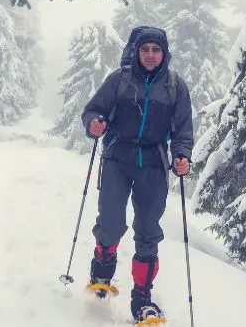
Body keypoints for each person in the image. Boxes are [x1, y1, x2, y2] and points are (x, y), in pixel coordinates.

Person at [81, 26, 194, 322]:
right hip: (118, 157)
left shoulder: (175, 87)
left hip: (153, 165)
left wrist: (182, 157)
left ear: (164, 53)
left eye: (156, 50)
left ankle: (142, 298)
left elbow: (182, 130)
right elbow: (93, 110)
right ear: (136, 51)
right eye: (145, 49)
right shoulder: (119, 80)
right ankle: (102, 271)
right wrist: (94, 123)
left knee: (148, 230)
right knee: (110, 222)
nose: (150, 55)